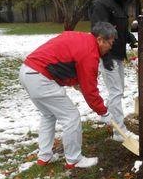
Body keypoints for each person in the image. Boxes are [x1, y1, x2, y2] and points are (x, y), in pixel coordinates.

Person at [19, 22, 117, 169]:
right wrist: (103, 112)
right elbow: (90, 90)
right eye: (110, 43)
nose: (110, 47)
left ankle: (44, 157)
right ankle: (74, 159)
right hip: (41, 77)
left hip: (27, 71)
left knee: (48, 115)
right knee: (71, 117)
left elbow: (65, 60)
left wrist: (77, 83)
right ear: (100, 39)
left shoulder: (81, 39)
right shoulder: (90, 52)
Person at [90, 0, 138, 142]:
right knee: (116, 91)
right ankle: (119, 131)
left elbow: (120, 28)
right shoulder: (101, 4)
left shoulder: (119, 2)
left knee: (118, 91)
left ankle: (111, 120)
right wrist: (106, 58)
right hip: (107, 56)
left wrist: (130, 39)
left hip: (118, 54)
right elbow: (99, 33)